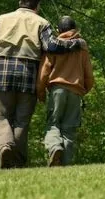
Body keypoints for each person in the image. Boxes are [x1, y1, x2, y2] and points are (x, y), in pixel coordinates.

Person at [0, 0, 84, 169]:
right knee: (22, 121)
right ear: (37, 6)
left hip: (2, 75)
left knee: (0, 118)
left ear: (20, 2)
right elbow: (52, 46)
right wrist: (75, 43)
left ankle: (4, 147)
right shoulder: (41, 22)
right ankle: (17, 162)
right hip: (28, 76)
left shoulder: (0, 20)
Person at [37, 15, 94, 166]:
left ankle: (55, 148)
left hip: (57, 90)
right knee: (69, 130)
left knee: (53, 124)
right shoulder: (82, 46)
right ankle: (65, 164)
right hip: (76, 92)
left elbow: (44, 72)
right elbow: (89, 74)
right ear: (75, 29)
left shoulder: (54, 45)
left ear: (58, 30)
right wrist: (83, 90)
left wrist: (40, 91)